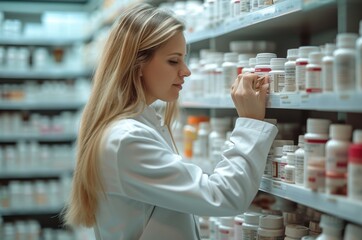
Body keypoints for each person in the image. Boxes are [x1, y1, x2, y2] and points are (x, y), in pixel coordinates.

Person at [63, 3, 278, 240]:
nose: (186, 71)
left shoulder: (136, 126)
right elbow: (224, 197)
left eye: (184, 60)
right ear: (138, 64)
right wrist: (249, 123)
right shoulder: (126, 139)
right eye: (174, 61)